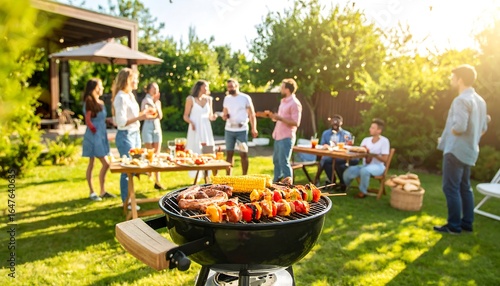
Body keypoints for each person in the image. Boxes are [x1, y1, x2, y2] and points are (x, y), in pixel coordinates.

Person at [434, 64, 488, 234]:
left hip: (456, 150)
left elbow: (460, 127)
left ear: (460, 80)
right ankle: (467, 223)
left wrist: (449, 134)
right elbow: (484, 128)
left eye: (453, 77)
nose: (451, 80)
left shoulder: (461, 100)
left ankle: (454, 226)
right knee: (465, 188)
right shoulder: (480, 100)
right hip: (470, 151)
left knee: (450, 188)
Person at [113, 68, 155, 210]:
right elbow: (121, 122)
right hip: (126, 136)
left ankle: (130, 199)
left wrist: (144, 113)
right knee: (127, 170)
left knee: (134, 168)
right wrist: (141, 117)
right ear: (127, 80)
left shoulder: (130, 95)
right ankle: (127, 202)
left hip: (135, 134)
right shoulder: (120, 97)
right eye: (135, 79)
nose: (137, 81)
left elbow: (133, 116)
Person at [81, 78, 114, 201]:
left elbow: (99, 119)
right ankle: (92, 192)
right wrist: (96, 134)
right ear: (94, 88)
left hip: (101, 135)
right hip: (94, 137)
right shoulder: (89, 101)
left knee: (100, 164)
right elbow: (88, 120)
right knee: (100, 163)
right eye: (100, 86)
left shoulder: (100, 102)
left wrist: (108, 120)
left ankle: (102, 191)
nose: (102, 88)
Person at [343, 118, 390, 198]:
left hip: (378, 167)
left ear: (379, 130)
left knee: (364, 171)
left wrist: (373, 155)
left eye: (372, 128)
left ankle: (363, 192)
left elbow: (385, 159)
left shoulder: (384, 141)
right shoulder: (366, 140)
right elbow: (359, 152)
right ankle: (346, 187)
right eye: (370, 127)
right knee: (348, 171)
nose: (370, 129)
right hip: (365, 165)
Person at [222, 79, 258, 175]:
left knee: (243, 153)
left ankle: (244, 176)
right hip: (229, 129)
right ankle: (228, 177)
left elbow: (252, 114)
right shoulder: (227, 99)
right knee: (229, 154)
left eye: (231, 86)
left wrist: (254, 128)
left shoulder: (245, 98)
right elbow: (224, 114)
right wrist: (224, 116)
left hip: (242, 130)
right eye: (228, 87)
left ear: (237, 86)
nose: (230, 88)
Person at [270, 78, 302, 183]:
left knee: (284, 162)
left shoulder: (295, 103)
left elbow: (296, 122)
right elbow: (282, 118)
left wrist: (280, 118)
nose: (280, 90)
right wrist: (274, 117)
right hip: (278, 136)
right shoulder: (283, 101)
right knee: (276, 161)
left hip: (286, 137)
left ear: (287, 89)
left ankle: (289, 186)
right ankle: (276, 182)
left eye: (282, 88)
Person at [319, 114, 359, 191]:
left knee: (335, 162)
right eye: (333, 121)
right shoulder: (326, 133)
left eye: (337, 121)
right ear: (331, 122)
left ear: (341, 123)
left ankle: (342, 183)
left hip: (342, 156)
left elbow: (348, 146)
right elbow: (322, 144)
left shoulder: (346, 134)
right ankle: (333, 181)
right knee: (326, 161)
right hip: (330, 155)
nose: (335, 123)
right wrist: (326, 146)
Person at [183, 79, 216, 157]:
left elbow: (210, 116)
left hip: (206, 127)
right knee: (195, 147)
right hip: (195, 126)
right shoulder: (190, 99)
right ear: (199, 87)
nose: (207, 89)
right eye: (205, 86)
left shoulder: (209, 99)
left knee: (207, 148)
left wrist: (213, 117)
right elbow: (185, 116)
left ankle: (207, 168)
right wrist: (191, 123)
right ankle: (195, 167)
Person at [141, 82, 164, 190]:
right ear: (149, 89)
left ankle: (157, 181)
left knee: (157, 155)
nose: (156, 90)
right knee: (150, 154)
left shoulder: (157, 102)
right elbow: (144, 115)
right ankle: (148, 172)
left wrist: (155, 104)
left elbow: (159, 116)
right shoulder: (145, 101)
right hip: (148, 128)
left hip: (157, 128)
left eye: (157, 88)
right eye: (154, 88)